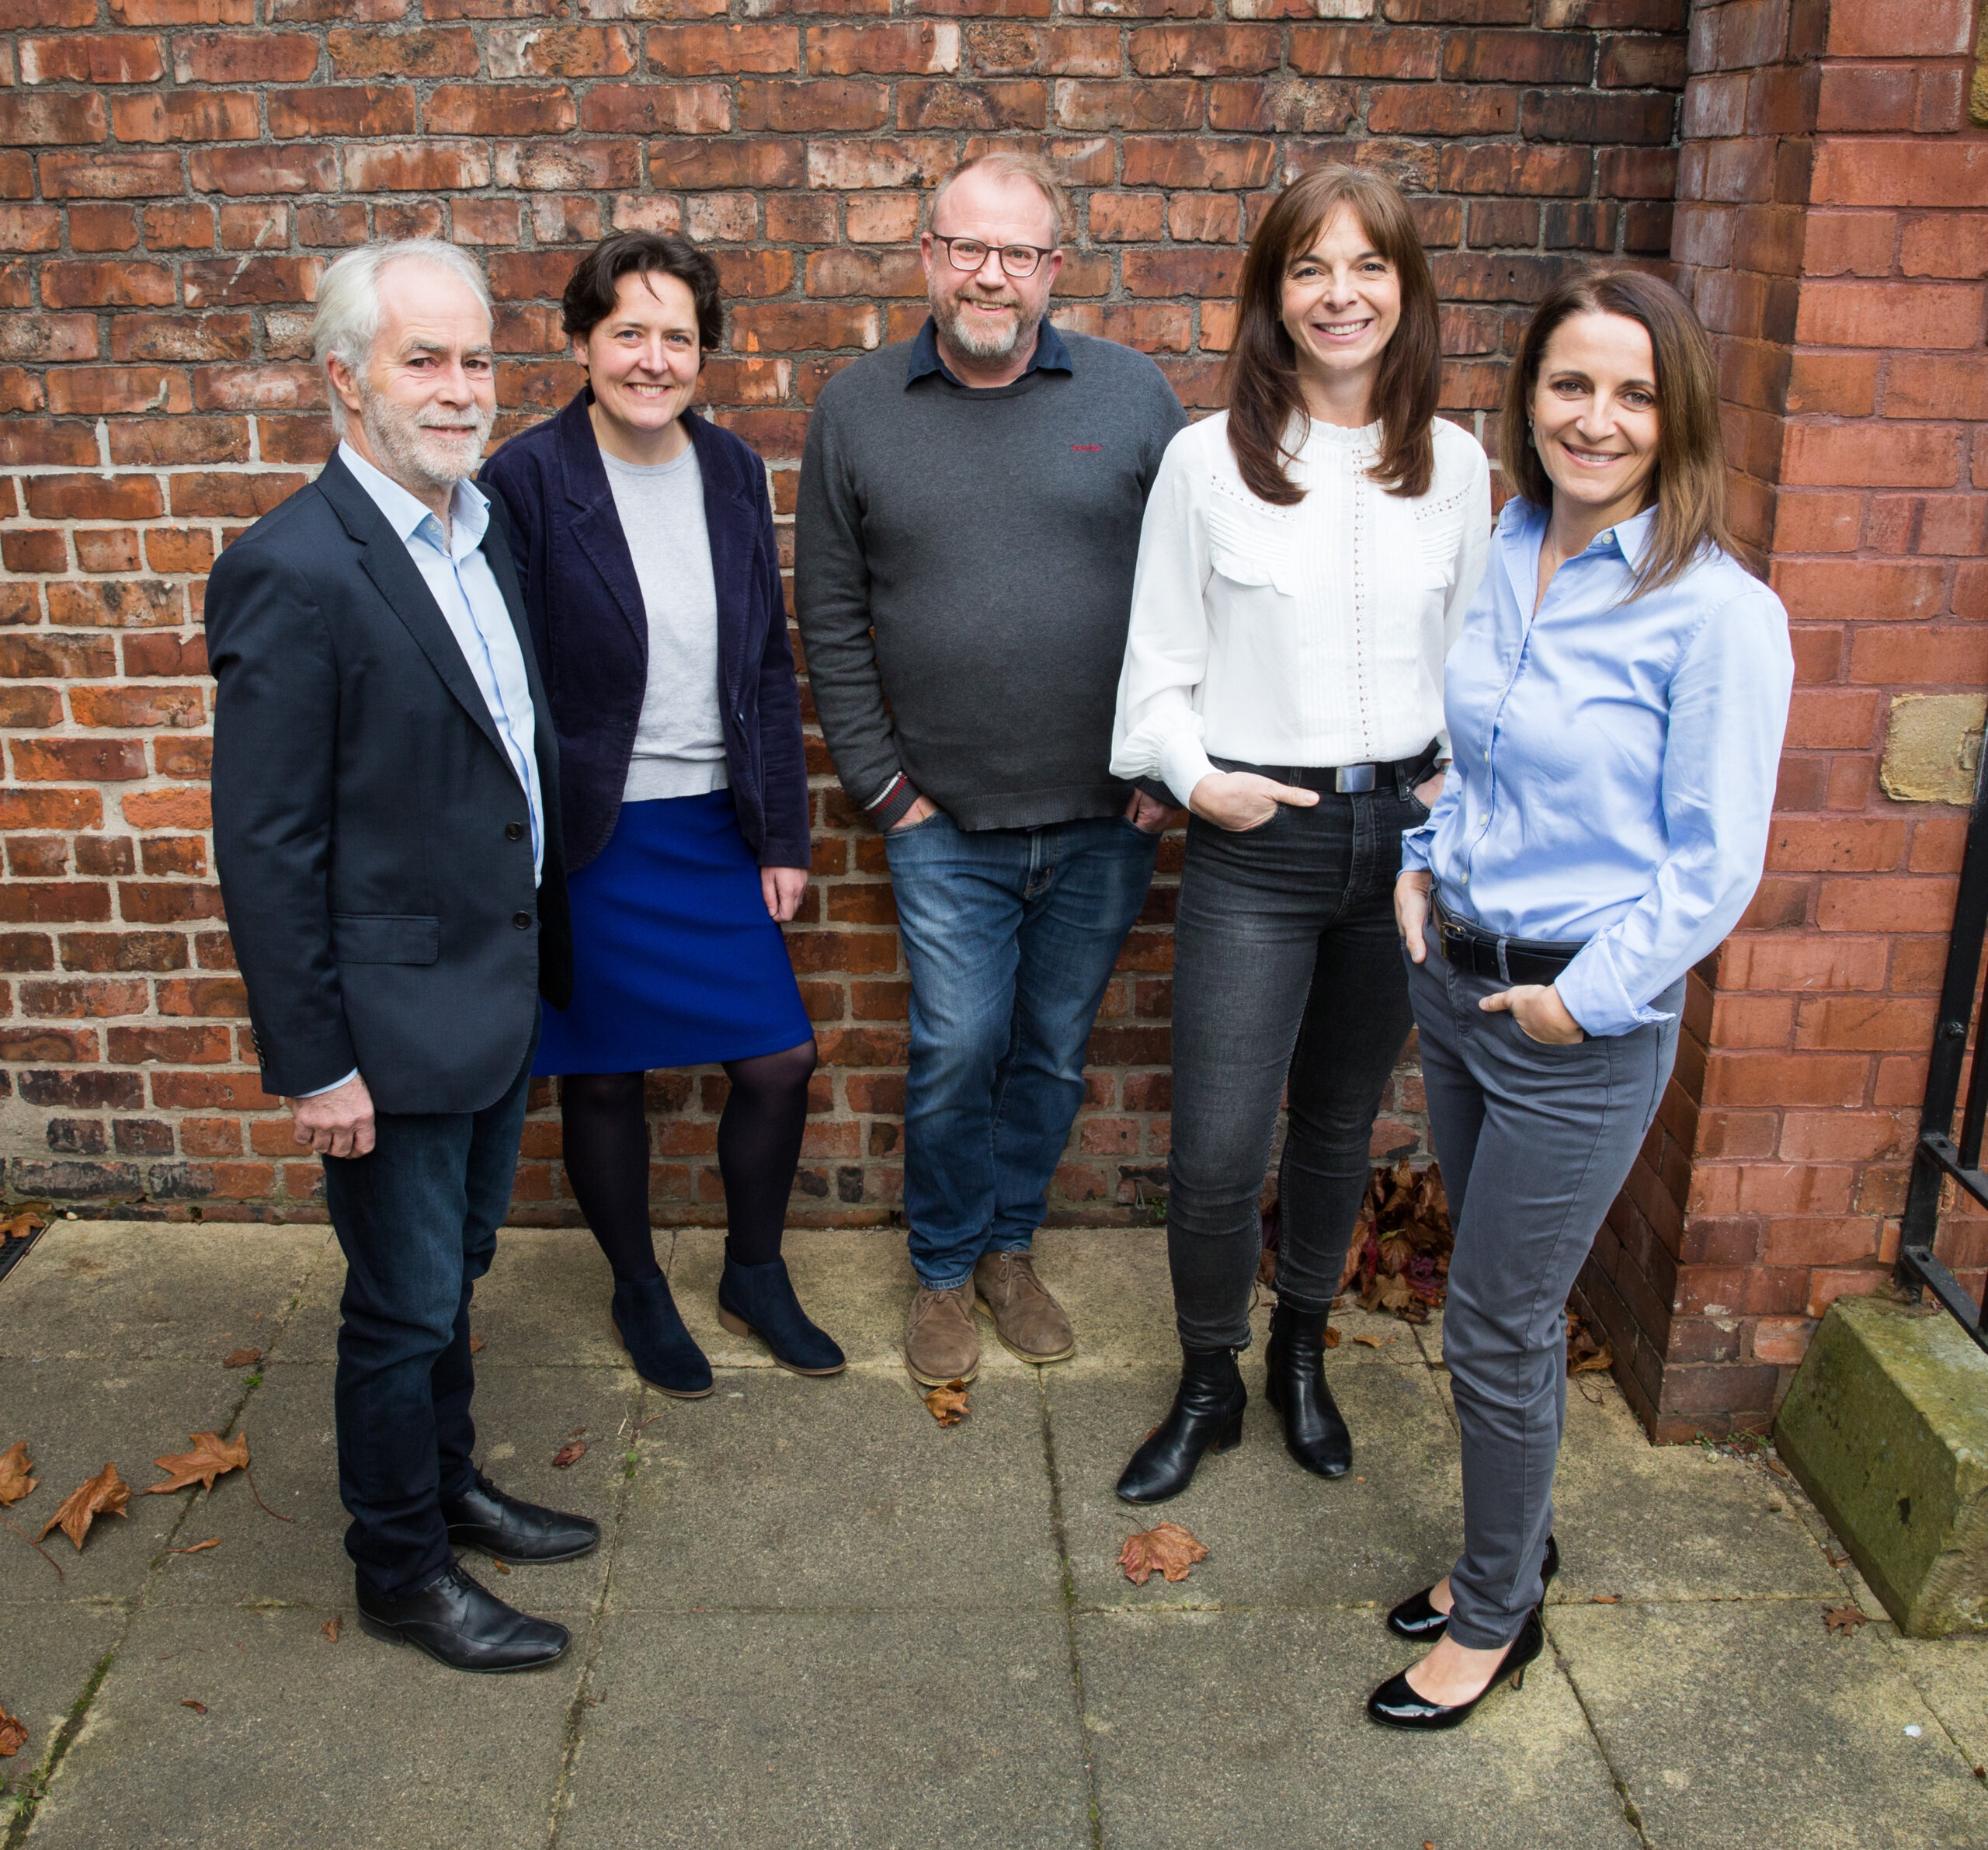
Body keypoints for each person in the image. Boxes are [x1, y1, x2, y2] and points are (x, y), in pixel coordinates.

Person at [1375, 269, 1792, 1730]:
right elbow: (1469, 752)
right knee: (1501, 1318)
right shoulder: (1505, 548)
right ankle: (1512, 1539)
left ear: (1675, 413)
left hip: (1576, 1027)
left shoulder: (1716, 615)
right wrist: (1425, 863)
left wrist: (1579, 1002)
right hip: (1462, 986)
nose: (1596, 418)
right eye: (1570, 384)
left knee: (1494, 1318)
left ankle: (1497, 1614)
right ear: (1529, 397)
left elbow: (1713, 866)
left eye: (1632, 391)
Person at [207, 239, 593, 1674]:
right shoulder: (291, 570)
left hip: (487, 997)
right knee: (399, 1305)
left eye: (476, 358)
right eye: (423, 358)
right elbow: (267, 849)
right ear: (343, 378)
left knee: (457, 1273)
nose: (457, 386)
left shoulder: (476, 531)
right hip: (387, 1024)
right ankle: (400, 1567)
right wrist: (317, 1064)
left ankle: (449, 1486)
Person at [1107, 165, 1490, 1504]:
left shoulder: (1456, 466)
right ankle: (1209, 1375)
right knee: (1215, 1146)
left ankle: (1302, 1354)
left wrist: (1453, 807)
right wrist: (1202, 781)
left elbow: (1481, 672)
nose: (1342, 294)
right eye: (1311, 269)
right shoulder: (1206, 464)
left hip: (1402, 843)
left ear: (1405, 289)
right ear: (1275, 295)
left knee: (1337, 1125)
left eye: (1369, 267)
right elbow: (1154, 674)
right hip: (1256, 836)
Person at [796, 151, 1188, 1388]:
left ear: (1055, 270)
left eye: (1018, 253)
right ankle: (941, 1268)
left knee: (1055, 1049)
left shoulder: (1134, 400)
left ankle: (1011, 1249)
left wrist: (1165, 772)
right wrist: (888, 794)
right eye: (967, 247)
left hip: (1105, 817)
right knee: (958, 1046)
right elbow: (829, 609)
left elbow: (1193, 600)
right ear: (926, 256)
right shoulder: (857, 409)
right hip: (944, 822)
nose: (990, 274)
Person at [481, 232, 841, 1395]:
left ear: (705, 353)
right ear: (581, 342)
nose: (652, 358)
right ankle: (638, 1284)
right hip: (592, 830)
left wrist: (783, 833)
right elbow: (506, 673)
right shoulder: (528, 481)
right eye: (627, 331)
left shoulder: (733, 472)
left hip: (709, 825)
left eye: (676, 335)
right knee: (600, 1075)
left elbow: (768, 670)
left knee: (780, 1058)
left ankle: (753, 1270)